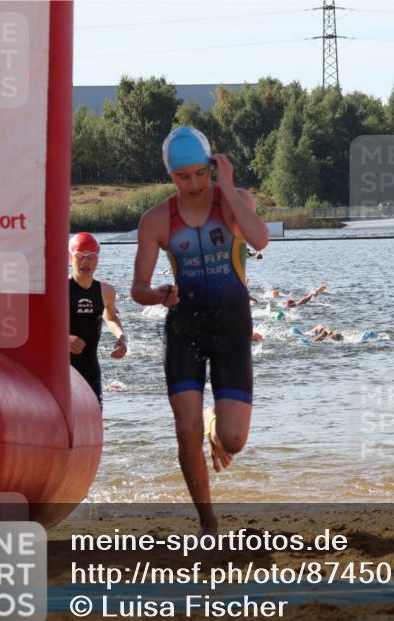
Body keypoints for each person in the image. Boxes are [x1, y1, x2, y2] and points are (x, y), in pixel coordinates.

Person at [130, 126, 269, 535]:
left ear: (212, 167)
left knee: (234, 438)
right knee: (183, 426)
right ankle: (208, 522)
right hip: (184, 328)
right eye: (181, 176)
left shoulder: (233, 202)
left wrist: (227, 187)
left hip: (231, 329)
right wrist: (157, 295)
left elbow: (259, 239)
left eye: (199, 174)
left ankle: (215, 423)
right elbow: (137, 288)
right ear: (170, 176)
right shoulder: (156, 220)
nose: (192, 184)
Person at [68, 232, 128, 407]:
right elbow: (42, 324)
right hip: (61, 368)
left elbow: (111, 317)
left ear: (97, 260)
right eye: (80, 256)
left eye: (91, 257)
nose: (85, 262)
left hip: (90, 368)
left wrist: (121, 338)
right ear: (71, 257)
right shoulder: (60, 288)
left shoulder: (106, 291)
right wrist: (62, 338)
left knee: (94, 421)